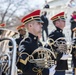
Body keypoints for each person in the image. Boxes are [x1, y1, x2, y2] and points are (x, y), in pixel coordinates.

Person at [17, 10, 56, 75]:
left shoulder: (39, 43)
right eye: (38, 23)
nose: (41, 26)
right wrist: (46, 72)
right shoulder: (26, 43)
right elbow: (25, 68)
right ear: (30, 26)